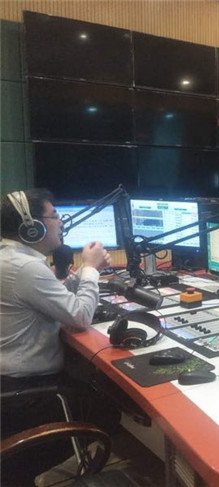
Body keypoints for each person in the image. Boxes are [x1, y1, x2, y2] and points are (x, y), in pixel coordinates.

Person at [0, 188, 113, 482]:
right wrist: (90, 269)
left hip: (10, 383)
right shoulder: (25, 267)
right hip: (26, 394)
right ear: (32, 227)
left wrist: (83, 274)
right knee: (111, 407)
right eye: (54, 216)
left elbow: (52, 296)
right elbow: (80, 316)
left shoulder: (12, 258)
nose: (61, 221)